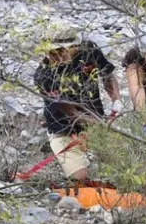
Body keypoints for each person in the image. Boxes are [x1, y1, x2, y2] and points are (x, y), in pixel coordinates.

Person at [33, 26, 123, 181]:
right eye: (52, 52)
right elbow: (71, 113)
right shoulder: (44, 75)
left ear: (73, 46)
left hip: (94, 120)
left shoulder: (89, 51)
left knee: (124, 166)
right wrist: (103, 124)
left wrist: (116, 100)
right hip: (64, 129)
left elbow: (107, 74)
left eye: (62, 51)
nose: (57, 56)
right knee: (81, 178)